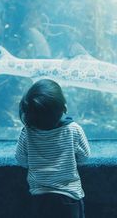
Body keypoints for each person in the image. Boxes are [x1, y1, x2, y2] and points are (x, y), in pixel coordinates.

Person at [15, 79, 91, 218]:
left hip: (39, 198)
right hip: (69, 197)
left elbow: (20, 159)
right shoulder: (74, 129)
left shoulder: (27, 132)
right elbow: (84, 156)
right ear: (63, 107)